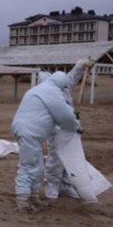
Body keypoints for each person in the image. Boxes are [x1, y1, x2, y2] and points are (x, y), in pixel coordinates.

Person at [11, 71, 82, 212]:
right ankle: (23, 201)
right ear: (62, 84)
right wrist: (77, 127)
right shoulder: (52, 92)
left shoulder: (40, 89)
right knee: (29, 166)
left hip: (26, 130)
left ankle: (32, 197)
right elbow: (65, 116)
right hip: (29, 132)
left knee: (37, 166)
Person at [42, 57, 95, 200]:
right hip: (56, 129)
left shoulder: (63, 87)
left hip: (69, 128)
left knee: (70, 156)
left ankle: (65, 185)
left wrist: (80, 65)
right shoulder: (47, 93)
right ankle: (51, 185)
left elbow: (72, 78)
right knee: (55, 157)